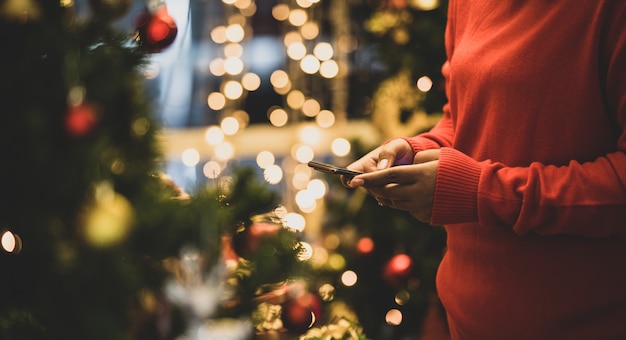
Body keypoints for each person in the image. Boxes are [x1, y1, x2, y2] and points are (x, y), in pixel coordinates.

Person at [343, 1, 626, 339]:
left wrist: (483, 191)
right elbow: (461, 117)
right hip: (466, 315)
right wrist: (417, 149)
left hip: (581, 321)